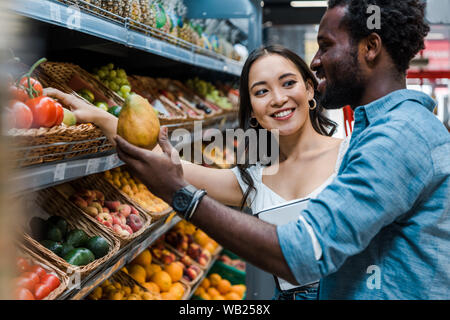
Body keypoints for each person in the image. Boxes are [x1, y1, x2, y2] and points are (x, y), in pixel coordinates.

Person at [110, 0, 449, 299]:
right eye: (260, 91)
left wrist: (179, 194)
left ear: (370, 47)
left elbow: (304, 251)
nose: (315, 62)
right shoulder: (377, 133)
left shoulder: (396, 138)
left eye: (325, 46)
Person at [45, 44, 349, 300]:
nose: (278, 98)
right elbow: (159, 157)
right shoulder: (252, 179)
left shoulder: (351, 155)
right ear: (253, 109)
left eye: (288, 83)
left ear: (309, 88)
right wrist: (98, 115)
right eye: (261, 91)